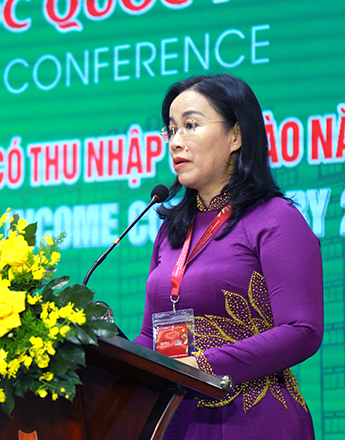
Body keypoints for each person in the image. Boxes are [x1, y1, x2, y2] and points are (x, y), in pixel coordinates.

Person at [133, 74, 324, 439]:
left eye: (190, 126)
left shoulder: (275, 219)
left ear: (236, 136)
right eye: (170, 130)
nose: (176, 142)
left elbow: (302, 330)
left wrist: (201, 366)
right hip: (173, 420)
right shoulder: (171, 229)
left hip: (252, 420)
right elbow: (149, 336)